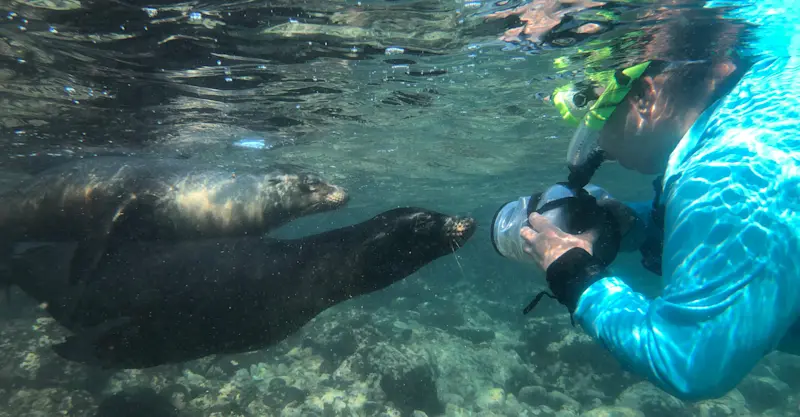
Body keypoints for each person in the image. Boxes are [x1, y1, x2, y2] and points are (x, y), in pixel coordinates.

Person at [518, 0, 800, 402]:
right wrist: (635, 224)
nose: (601, 148)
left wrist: (573, 272)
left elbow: (690, 360)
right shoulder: (755, 107)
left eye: (597, 122)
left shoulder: (728, 169)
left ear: (646, 97)